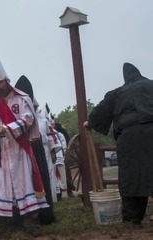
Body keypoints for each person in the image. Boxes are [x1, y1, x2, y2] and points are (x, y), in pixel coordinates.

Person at [0, 51, 49, 238]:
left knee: (24, 183)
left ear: (7, 81)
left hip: (19, 148)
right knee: (0, 186)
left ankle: (30, 222)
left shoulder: (21, 99)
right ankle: (4, 225)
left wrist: (7, 128)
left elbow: (27, 119)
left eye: (0, 83)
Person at [85, 62, 153, 226]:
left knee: (132, 175)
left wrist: (90, 124)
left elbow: (97, 114)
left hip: (130, 137)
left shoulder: (117, 93)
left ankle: (132, 219)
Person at [15, 75, 58, 224]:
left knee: (40, 181)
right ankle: (23, 216)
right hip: (19, 149)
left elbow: (48, 135)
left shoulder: (40, 119)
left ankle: (44, 215)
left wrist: (52, 152)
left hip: (36, 148)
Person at [54, 122, 76, 197]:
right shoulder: (61, 131)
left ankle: (68, 190)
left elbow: (67, 145)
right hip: (59, 154)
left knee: (64, 173)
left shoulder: (60, 133)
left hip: (62, 155)